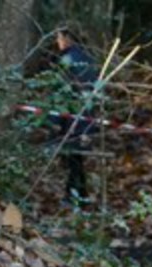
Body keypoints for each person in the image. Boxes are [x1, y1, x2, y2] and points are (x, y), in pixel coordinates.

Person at [51, 28, 99, 206]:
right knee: (76, 158)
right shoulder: (89, 59)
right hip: (87, 116)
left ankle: (73, 196)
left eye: (59, 38)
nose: (57, 42)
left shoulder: (67, 59)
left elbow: (60, 91)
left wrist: (55, 120)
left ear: (67, 39)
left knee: (73, 158)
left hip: (72, 117)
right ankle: (81, 194)